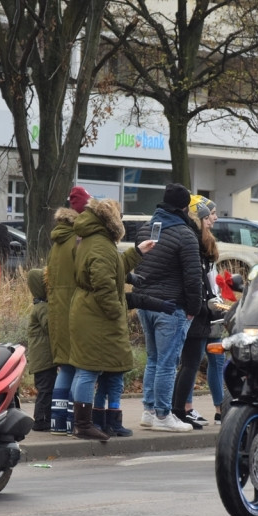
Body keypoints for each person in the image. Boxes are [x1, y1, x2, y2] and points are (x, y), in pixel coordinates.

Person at [68, 197, 149, 440]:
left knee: (97, 368)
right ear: (111, 220)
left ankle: (96, 422)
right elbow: (103, 283)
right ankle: (83, 425)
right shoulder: (101, 244)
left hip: (91, 312)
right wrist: (116, 311)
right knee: (88, 370)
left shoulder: (95, 241)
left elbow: (112, 268)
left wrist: (136, 253)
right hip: (98, 315)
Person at [132, 183, 203, 432]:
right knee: (167, 363)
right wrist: (194, 307)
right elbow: (193, 277)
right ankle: (164, 415)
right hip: (171, 306)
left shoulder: (145, 229)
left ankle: (149, 411)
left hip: (144, 303)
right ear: (184, 207)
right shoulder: (186, 234)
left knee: (153, 359)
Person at [172, 195, 222, 429]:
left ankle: (217, 409)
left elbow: (209, 279)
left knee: (210, 360)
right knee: (188, 363)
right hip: (198, 309)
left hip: (207, 307)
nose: (212, 219)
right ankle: (180, 409)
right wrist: (199, 306)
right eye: (208, 215)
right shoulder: (193, 241)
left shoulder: (205, 241)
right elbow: (195, 280)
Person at [47, 186, 91, 435]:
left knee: (65, 366)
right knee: (80, 366)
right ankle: (76, 421)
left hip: (57, 311)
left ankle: (58, 421)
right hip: (77, 309)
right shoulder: (78, 239)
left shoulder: (58, 239)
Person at [26, 268, 56, 431]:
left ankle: (45, 417)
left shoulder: (38, 306)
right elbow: (51, 327)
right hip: (44, 359)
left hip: (41, 358)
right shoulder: (43, 308)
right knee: (46, 389)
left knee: (46, 388)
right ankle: (40, 420)